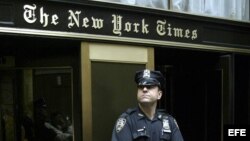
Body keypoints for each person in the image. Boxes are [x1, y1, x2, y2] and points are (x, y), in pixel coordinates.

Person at [111, 69, 184, 141]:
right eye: (141, 87)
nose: (144, 89)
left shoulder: (169, 122)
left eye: (149, 86)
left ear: (159, 94)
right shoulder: (127, 121)